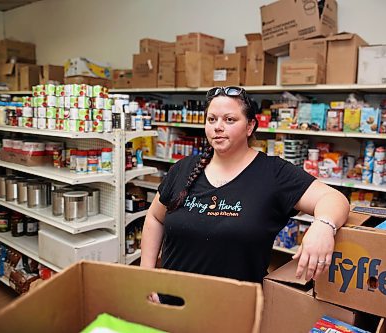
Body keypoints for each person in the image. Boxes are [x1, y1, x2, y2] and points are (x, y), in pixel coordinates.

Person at [141, 86, 349, 302]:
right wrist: (146, 277)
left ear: (250, 126)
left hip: (236, 313)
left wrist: (324, 226)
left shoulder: (273, 173)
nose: (218, 127)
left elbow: (334, 199)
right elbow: (155, 217)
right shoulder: (183, 169)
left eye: (229, 120)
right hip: (171, 306)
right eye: (211, 120)